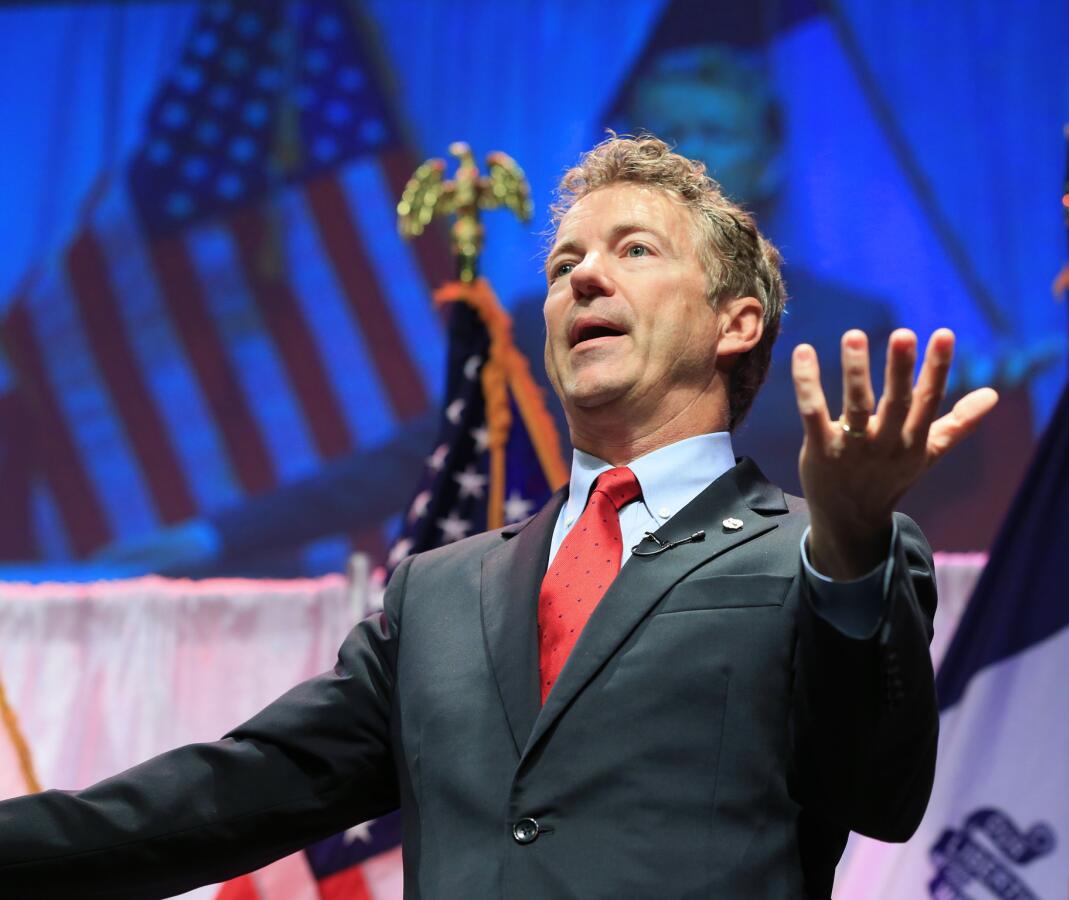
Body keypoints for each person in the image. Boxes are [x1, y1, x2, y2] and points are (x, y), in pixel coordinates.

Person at [0, 135, 996, 898]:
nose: (582, 279)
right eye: (563, 265)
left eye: (631, 250)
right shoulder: (441, 591)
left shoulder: (818, 553)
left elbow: (878, 791)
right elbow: (239, 789)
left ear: (736, 322)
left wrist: (854, 542)